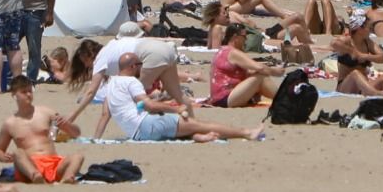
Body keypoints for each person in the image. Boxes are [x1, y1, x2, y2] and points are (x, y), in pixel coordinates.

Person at [102, 52, 265, 142]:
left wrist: (97, 138)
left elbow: (106, 114)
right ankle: (246, 133)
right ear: (132, 66)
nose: (141, 68)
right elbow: (148, 106)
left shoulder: (111, 83)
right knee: (201, 124)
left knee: (187, 127)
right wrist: (175, 108)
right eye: (139, 65)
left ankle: (199, 137)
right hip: (147, 126)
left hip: (135, 132)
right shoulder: (131, 82)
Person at [0, 76, 83, 184]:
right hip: (30, 165)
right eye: (23, 92)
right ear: (14, 95)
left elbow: (76, 133)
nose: (28, 94)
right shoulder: (10, 123)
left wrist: (67, 125)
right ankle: (35, 176)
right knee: (18, 153)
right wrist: (3, 157)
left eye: (30, 91)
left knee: (78, 157)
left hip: (53, 163)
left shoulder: (46, 112)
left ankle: (68, 178)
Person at [209, 22, 283, 107]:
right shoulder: (233, 52)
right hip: (224, 98)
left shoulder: (223, 50)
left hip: (220, 97)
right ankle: (284, 99)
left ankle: (282, 98)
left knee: (256, 75)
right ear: (235, 37)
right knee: (260, 77)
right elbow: (260, 68)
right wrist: (276, 72)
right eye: (244, 36)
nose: (246, 39)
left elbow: (249, 71)